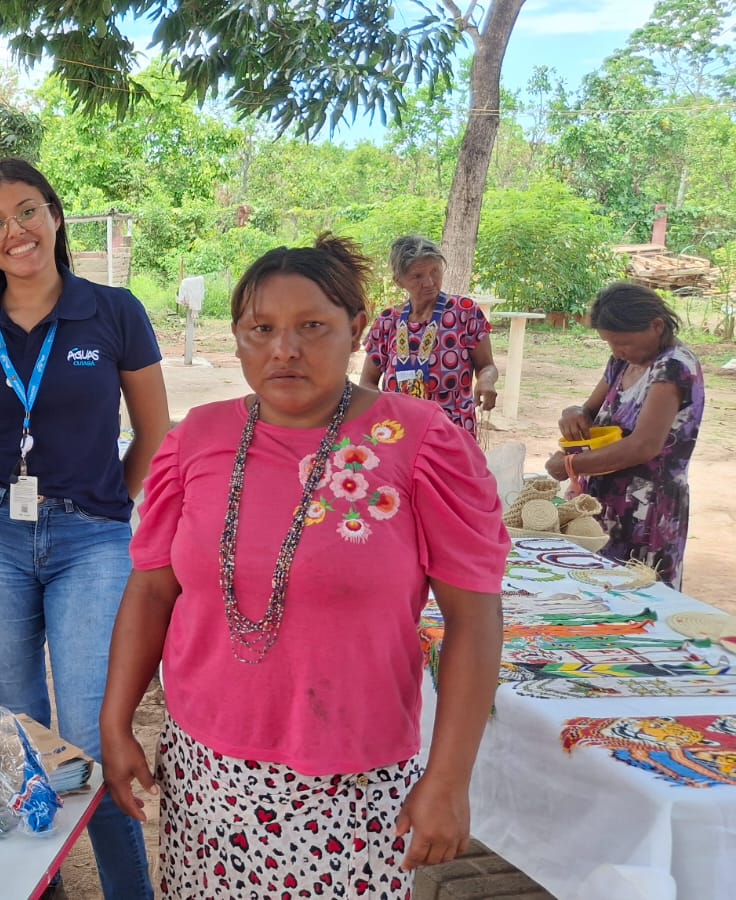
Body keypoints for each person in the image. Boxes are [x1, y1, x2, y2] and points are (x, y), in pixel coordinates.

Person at [102, 235, 507, 898]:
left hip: (353, 783)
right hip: (205, 773)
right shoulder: (196, 438)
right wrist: (116, 723)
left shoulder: (422, 443)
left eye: (312, 326)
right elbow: (151, 590)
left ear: (358, 329)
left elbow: (475, 617)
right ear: (238, 338)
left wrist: (449, 779)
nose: (284, 349)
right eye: (261, 329)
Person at [0, 157, 169, 899]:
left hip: (92, 541)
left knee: (95, 736)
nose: (15, 231)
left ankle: (129, 891)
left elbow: (154, 431)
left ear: (56, 215)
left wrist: (105, 503)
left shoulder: (114, 311)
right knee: (18, 735)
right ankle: (44, 887)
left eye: (27, 211)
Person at [544, 281, 704, 588]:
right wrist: (573, 413)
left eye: (624, 342)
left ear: (656, 326)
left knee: (638, 597)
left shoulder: (672, 368)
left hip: (647, 509)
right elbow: (591, 410)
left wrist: (570, 465)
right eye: (610, 343)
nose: (617, 350)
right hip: (605, 501)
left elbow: (643, 446)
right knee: (596, 591)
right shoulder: (623, 361)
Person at [361, 234, 498, 433]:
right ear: (399, 281)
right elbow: (367, 382)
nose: (429, 282)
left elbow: (487, 366)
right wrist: (384, 412)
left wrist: (486, 380)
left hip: (452, 431)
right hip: (399, 431)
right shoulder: (387, 321)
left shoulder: (464, 312)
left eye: (435, 271)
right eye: (417, 276)